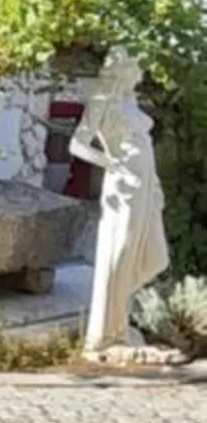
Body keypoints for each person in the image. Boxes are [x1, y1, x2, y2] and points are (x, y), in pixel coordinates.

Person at [69, 50, 170, 352]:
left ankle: (117, 315)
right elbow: (77, 144)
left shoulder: (130, 100)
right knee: (122, 251)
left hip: (146, 186)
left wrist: (155, 184)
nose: (140, 72)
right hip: (124, 187)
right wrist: (111, 164)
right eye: (136, 66)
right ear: (123, 68)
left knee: (156, 258)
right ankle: (108, 331)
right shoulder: (102, 100)